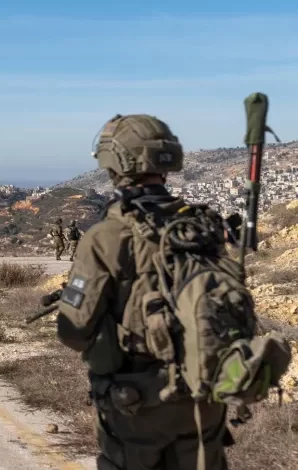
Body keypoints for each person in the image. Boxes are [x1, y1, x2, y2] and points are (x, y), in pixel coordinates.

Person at [56, 114, 231, 469]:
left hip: (138, 404)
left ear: (116, 162)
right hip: (204, 399)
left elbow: (74, 332)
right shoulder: (201, 226)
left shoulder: (107, 237)